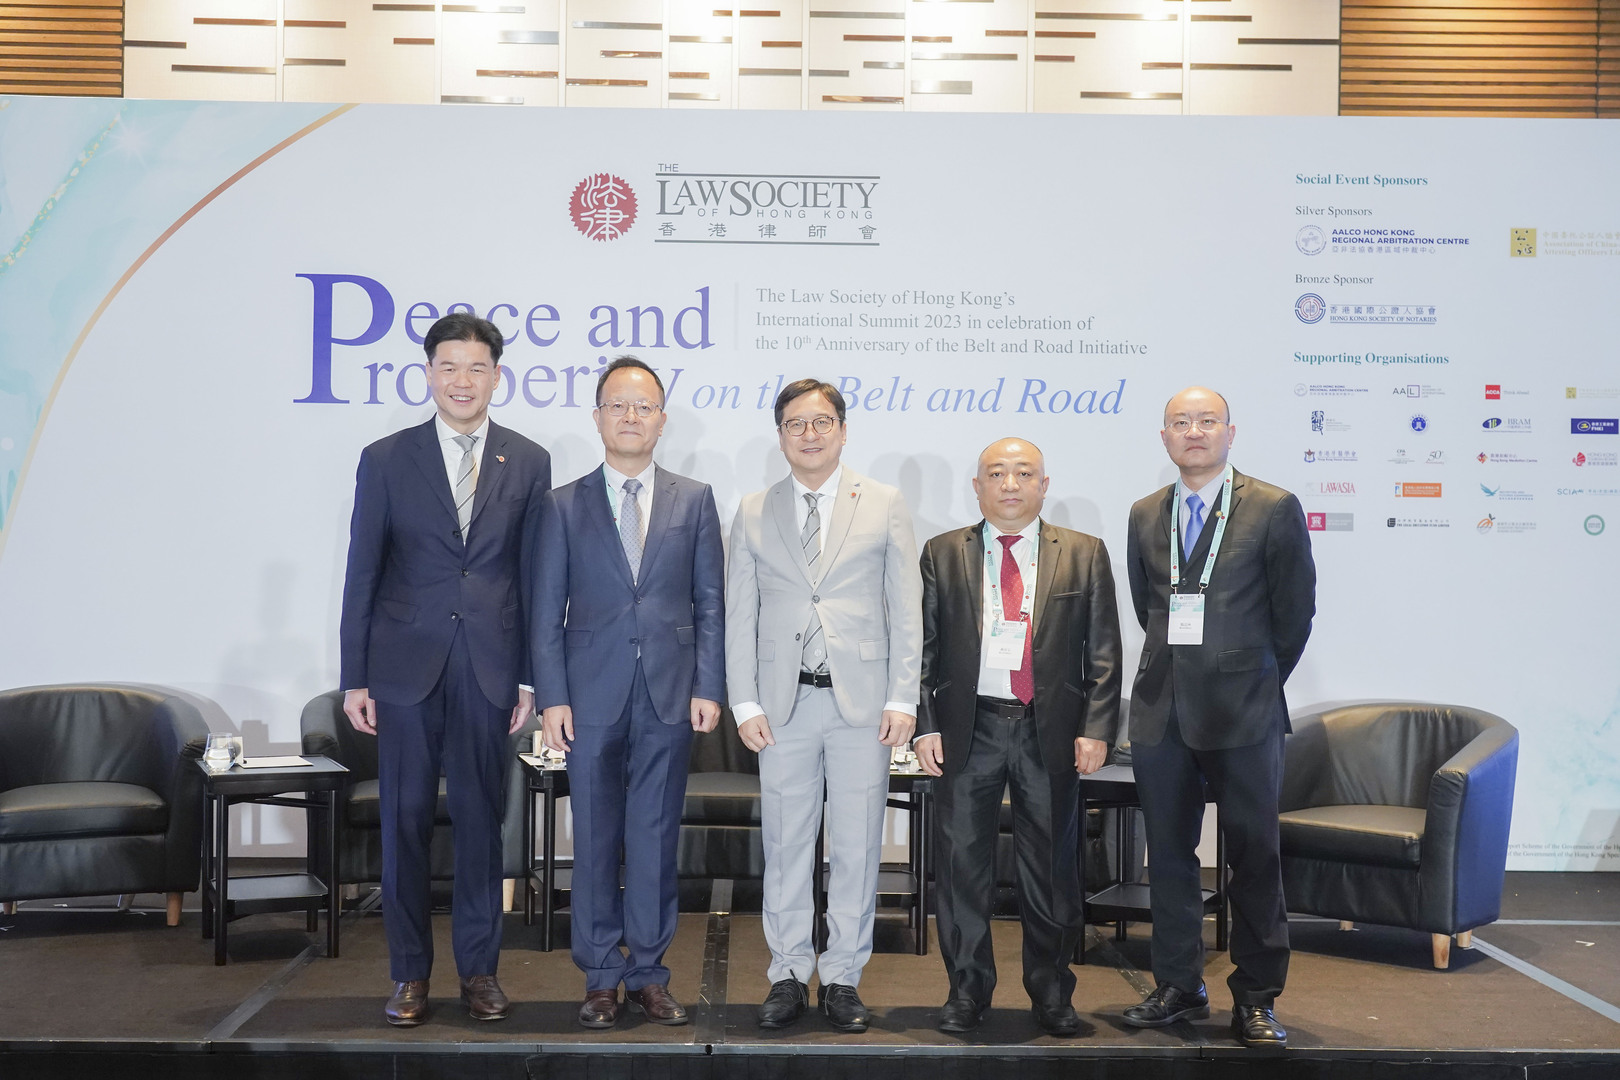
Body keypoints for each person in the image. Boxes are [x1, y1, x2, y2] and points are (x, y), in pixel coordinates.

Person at [339, 312, 551, 1026]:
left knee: (481, 820)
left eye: (477, 368)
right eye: (450, 367)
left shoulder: (528, 460)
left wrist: (529, 676)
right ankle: (408, 974)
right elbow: (362, 571)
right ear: (428, 373)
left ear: (497, 376)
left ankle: (480, 972)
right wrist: (355, 676)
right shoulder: (386, 458)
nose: (463, 381)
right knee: (403, 820)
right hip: (403, 667)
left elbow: (533, 576)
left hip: (489, 667)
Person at [532, 356, 725, 1029]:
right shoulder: (562, 504)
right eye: (617, 405)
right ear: (597, 417)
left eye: (643, 406)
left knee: (654, 837)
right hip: (588, 696)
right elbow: (545, 609)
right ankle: (600, 977)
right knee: (593, 838)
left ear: (661, 420)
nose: (631, 417)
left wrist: (708, 684)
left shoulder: (693, 499)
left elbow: (709, 601)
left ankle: (648, 972)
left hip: (669, 693)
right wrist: (552, 697)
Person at [724, 378, 922, 1033]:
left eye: (821, 422)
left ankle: (841, 977)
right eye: (795, 424)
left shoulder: (884, 502)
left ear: (842, 429)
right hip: (782, 707)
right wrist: (744, 700)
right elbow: (739, 612)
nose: (808, 434)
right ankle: (786, 972)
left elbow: (906, 606)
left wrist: (903, 696)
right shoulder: (754, 509)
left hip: (863, 706)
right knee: (785, 845)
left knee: (859, 846)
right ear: (780, 434)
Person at [1121, 386, 1316, 1049]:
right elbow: (1148, 606)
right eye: (1181, 422)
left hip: (1245, 713)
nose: (1194, 431)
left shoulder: (1272, 507)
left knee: (1255, 857)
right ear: (1165, 437)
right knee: (1170, 858)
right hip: (1162, 712)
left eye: (1207, 421)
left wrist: (1253, 677)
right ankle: (1179, 984)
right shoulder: (1145, 513)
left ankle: (1257, 997)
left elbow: (1294, 614)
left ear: (1230, 433)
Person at [914, 438, 1123, 1037]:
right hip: (968, 727)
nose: (1010, 483)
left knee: (1051, 868)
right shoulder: (942, 551)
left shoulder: (1083, 552)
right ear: (977, 487)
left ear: (1043, 484)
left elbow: (1104, 651)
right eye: (997, 473)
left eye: (1023, 473)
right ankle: (966, 991)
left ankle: (1052, 993)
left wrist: (1096, 728)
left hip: (1048, 729)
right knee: (962, 867)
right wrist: (927, 725)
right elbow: (924, 648)